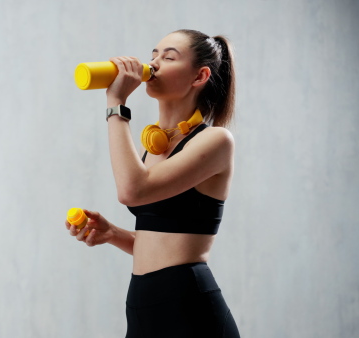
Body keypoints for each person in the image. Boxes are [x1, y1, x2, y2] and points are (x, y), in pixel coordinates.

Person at [65, 29, 241, 337]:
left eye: (169, 57)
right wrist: (113, 234)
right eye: (153, 55)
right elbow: (167, 244)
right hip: (143, 304)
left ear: (199, 76)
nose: (154, 64)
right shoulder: (154, 147)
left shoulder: (216, 141)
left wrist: (116, 103)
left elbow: (132, 190)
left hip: (187, 306)